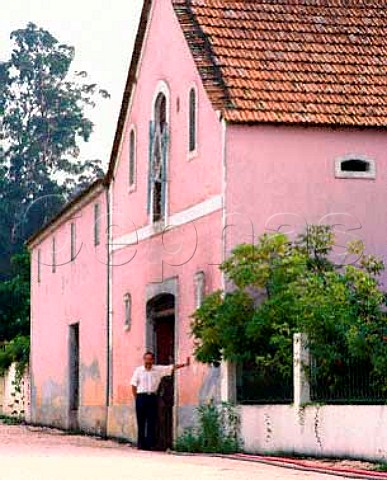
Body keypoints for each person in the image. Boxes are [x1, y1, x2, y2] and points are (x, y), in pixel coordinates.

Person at [131, 351, 190, 450]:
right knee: (141, 421)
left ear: (153, 360)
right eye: (146, 359)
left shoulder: (158, 369)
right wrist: (136, 398)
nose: (148, 361)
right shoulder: (138, 370)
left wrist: (185, 364)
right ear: (144, 360)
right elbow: (133, 384)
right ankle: (141, 444)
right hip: (141, 397)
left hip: (152, 397)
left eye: (150, 359)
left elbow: (171, 367)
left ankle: (150, 444)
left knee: (151, 421)